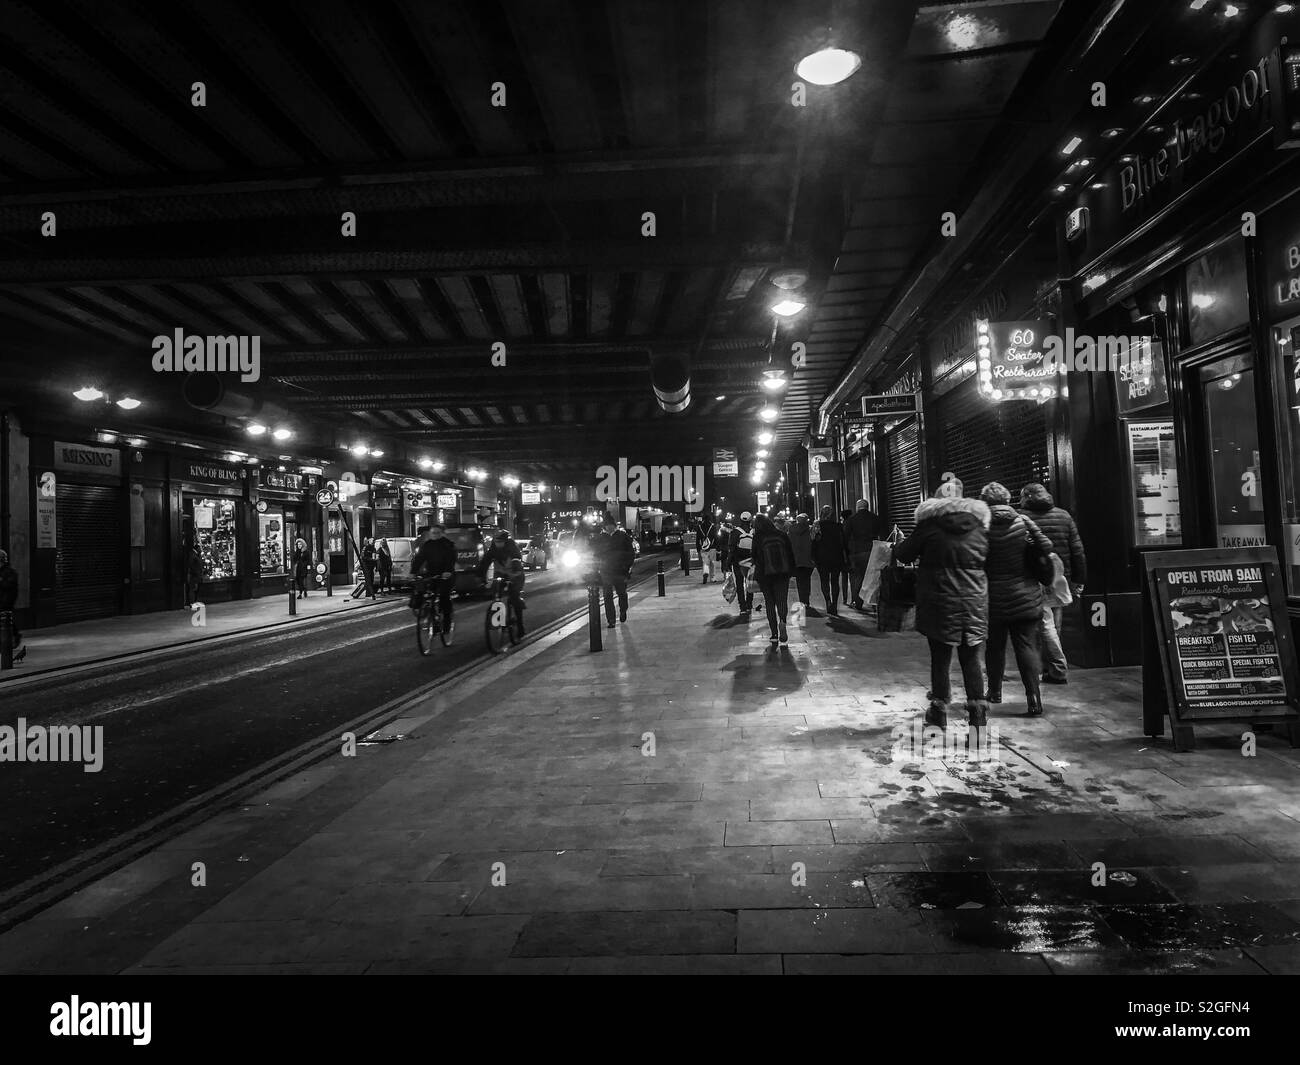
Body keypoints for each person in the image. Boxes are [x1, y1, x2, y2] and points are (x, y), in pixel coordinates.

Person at [892, 483, 991, 728]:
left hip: (939, 600)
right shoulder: (979, 526)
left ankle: (939, 709)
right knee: (971, 658)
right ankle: (978, 717)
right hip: (974, 601)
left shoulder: (929, 526)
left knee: (941, 657)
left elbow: (903, 554)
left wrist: (900, 544)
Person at [981, 482, 1053, 717]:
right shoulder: (1023, 521)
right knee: (1027, 646)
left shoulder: (980, 525)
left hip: (993, 598)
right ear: (1008, 499)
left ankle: (994, 691)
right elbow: (1046, 546)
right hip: (1026, 595)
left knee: (994, 646)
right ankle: (1034, 699)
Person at [1018, 483, 1087, 685]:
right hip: (1059, 577)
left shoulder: (1021, 517)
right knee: (1054, 625)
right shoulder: (1064, 516)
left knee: (1043, 627)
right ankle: (1050, 668)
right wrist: (1079, 579)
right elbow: (1077, 550)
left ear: (1027, 497)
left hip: (1033, 578)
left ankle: (1055, 668)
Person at [752, 513, 796, 645]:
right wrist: (791, 571)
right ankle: (782, 621)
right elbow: (790, 553)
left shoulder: (758, 537)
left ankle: (774, 634)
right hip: (782, 573)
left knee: (769, 602)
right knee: (782, 600)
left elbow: (753, 556)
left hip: (765, 574)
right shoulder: (781, 534)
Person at [409, 524, 458, 634]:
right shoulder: (427, 545)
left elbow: (451, 559)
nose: (434, 535)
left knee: (444, 597)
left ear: (442, 534)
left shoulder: (448, 545)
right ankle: (426, 613)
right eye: (433, 533)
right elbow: (419, 559)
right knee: (422, 591)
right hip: (431, 574)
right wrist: (413, 572)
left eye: (437, 533)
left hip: (445, 575)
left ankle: (446, 623)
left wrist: (448, 571)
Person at [477, 528, 526, 635]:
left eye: (500, 542)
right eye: (496, 542)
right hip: (501, 574)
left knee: (514, 597)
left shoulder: (512, 548)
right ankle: (499, 622)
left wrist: (516, 567)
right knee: (496, 595)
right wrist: (480, 577)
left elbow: (517, 558)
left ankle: (520, 625)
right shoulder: (493, 549)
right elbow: (486, 562)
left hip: (515, 575)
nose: (498, 544)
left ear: (506, 541)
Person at [596, 513, 636, 627]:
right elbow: (596, 554)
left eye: (610, 525)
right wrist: (598, 567)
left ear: (614, 525)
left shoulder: (622, 536)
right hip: (606, 571)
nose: (608, 527)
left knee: (622, 593)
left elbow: (631, 553)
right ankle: (611, 620)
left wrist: (626, 566)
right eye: (606, 525)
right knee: (607, 596)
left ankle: (623, 610)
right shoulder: (601, 538)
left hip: (620, 571)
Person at [812, 505, 849, 616]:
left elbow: (814, 542)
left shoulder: (818, 526)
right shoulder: (838, 526)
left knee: (824, 581)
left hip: (822, 557)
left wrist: (813, 557)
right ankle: (834, 604)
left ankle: (828, 601)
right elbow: (844, 543)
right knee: (835, 581)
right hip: (836, 556)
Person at [845, 498, 880, 610]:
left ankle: (857, 602)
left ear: (857, 507)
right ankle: (873, 603)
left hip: (857, 552)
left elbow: (846, 536)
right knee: (872, 577)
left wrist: (847, 552)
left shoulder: (852, 519)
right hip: (872, 550)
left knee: (857, 578)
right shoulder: (875, 518)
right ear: (868, 506)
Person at [727, 512, 755, 615]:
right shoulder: (754, 532)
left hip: (738, 562)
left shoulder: (735, 532)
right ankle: (749, 604)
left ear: (740, 520)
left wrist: (728, 563)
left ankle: (742, 607)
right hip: (750, 562)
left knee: (739, 583)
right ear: (750, 521)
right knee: (750, 583)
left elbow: (731, 549)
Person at [0, 548, 24, 663]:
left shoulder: (9, 573)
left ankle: (10, 641)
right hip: (4, 602)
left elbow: (10, 588)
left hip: (5, 603)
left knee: (6, 622)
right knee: (6, 623)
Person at [788, 512, 815, 613]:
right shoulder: (810, 529)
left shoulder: (791, 530)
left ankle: (802, 600)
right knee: (806, 580)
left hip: (796, 559)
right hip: (808, 558)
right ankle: (806, 600)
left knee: (799, 581)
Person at [184, 540, 203, 608]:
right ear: (197, 548)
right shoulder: (193, 555)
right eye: (200, 548)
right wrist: (195, 573)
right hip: (194, 576)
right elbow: (191, 565)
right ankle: (192, 603)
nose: (201, 549)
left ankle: (194, 602)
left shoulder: (197, 554)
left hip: (197, 575)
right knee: (192, 589)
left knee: (195, 589)